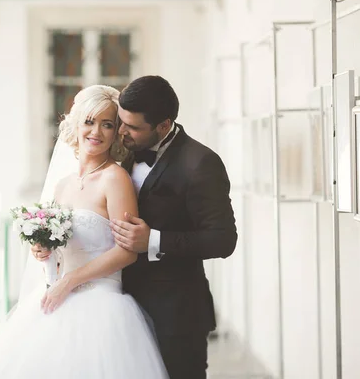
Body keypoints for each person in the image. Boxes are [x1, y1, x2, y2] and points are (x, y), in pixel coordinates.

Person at [36, 75, 237, 379]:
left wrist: (155, 240)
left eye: (130, 127)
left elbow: (223, 240)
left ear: (163, 126)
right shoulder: (123, 154)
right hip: (118, 303)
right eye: (119, 122)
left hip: (175, 312)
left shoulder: (200, 163)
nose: (120, 132)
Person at [0, 85, 168, 378]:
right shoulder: (62, 185)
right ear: (76, 124)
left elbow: (126, 251)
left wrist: (71, 281)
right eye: (89, 121)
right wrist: (45, 251)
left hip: (102, 303)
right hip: (57, 297)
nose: (96, 131)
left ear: (115, 133)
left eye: (107, 124)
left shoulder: (116, 179)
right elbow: (61, 248)